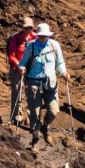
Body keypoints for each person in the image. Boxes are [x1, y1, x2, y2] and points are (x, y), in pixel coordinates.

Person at [18, 22, 68, 150]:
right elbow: (23, 61)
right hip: (33, 83)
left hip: (50, 83)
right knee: (34, 112)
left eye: (45, 35)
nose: (43, 38)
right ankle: (35, 139)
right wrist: (21, 67)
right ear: (37, 35)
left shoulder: (54, 45)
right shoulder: (31, 46)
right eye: (40, 36)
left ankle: (45, 126)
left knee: (54, 111)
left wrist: (63, 72)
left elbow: (60, 62)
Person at [5, 17, 36, 126]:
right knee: (17, 92)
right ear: (22, 28)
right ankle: (16, 117)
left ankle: (31, 118)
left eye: (30, 28)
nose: (29, 30)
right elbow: (11, 55)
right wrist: (19, 65)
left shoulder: (35, 38)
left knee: (32, 93)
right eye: (26, 28)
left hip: (31, 70)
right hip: (16, 70)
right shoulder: (15, 38)